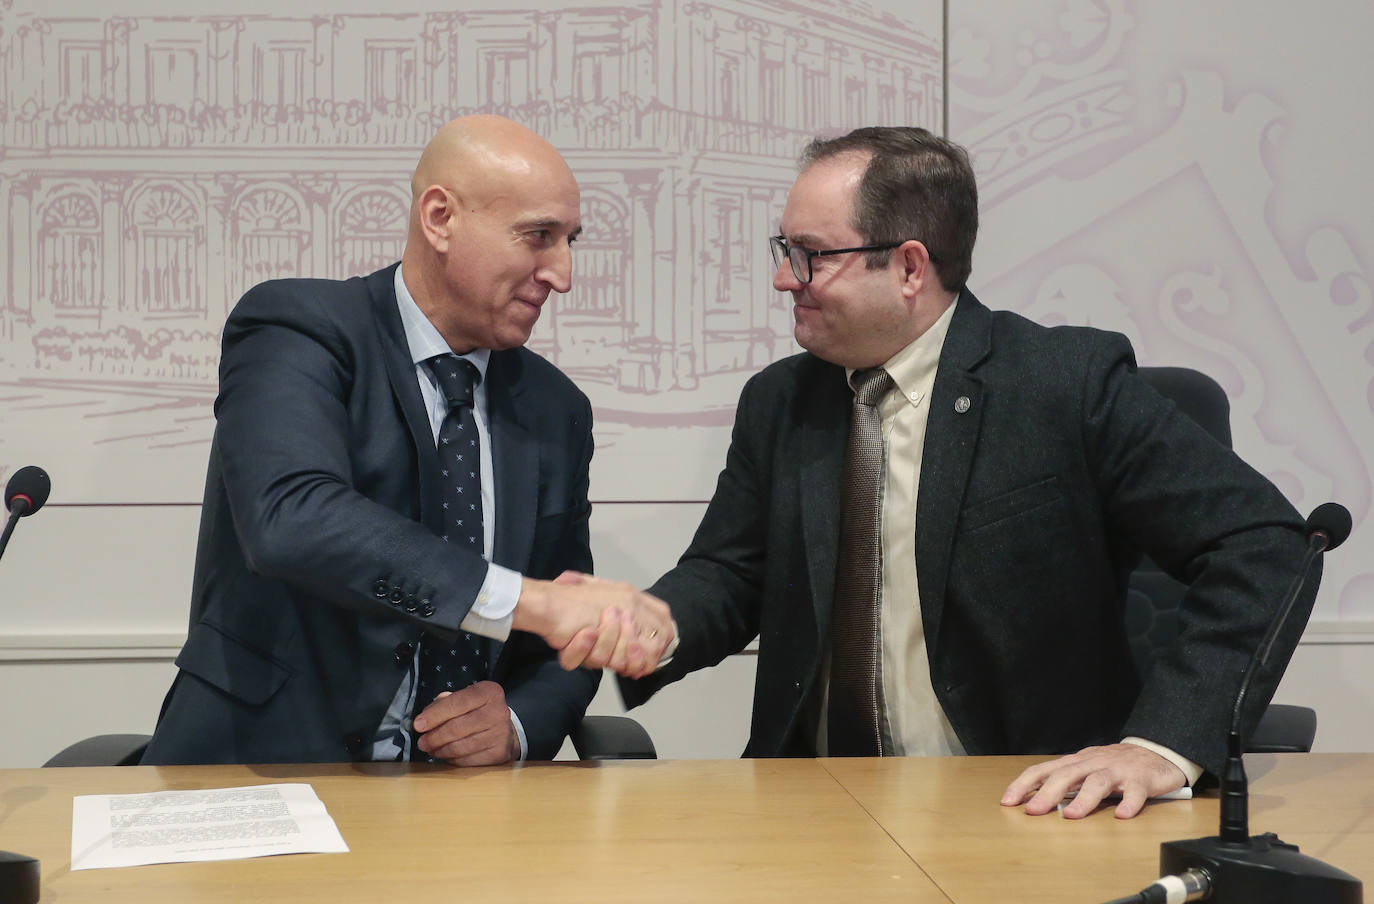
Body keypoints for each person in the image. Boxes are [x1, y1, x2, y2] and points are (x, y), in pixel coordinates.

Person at [602, 126, 1316, 818]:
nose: (786, 277)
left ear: (910, 267)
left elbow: (1265, 545)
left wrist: (1164, 743)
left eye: (812, 254)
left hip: (1023, 801)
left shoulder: (1065, 384)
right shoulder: (781, 401)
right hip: (811, 805)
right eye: (786, 249)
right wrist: (654, 624)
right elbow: (732, 573)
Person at [143, 115, 671, 767]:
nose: (561, 273)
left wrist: (515, 721)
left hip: (462, 808)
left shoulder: (555, 408)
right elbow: (291, 518)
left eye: (570, 241)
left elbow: (557, 641)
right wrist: (532, 602)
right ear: (441, 218)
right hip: (265, 774)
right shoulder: (299, 327)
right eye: (538, 237)